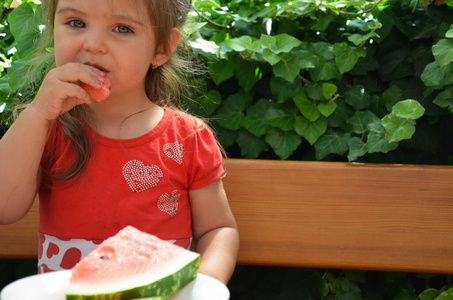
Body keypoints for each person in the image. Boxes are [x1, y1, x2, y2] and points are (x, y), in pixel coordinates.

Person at [0, 0, 239, 284]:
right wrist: (37, 113)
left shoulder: (187, 138)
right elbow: (5, 208)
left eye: (122, 28)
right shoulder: (46, 128)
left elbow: (218, 229)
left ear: (162, 47)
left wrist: (206, 284)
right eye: (76, 23)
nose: (93, 44)